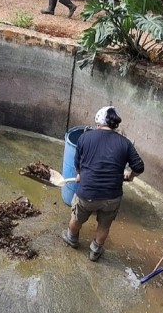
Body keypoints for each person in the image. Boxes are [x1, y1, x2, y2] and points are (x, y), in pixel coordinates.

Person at [61, 106, 144, 261]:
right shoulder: (125, 143)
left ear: (98, 121)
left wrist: (80, 174)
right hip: (112, 197)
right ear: (115, 124)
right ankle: (95, 250)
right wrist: (131, 176)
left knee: (76, 218)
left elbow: (77, 162)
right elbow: (139, 167)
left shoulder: (85, 138)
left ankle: (71, 238)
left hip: (87, 194)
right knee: (104, 226)